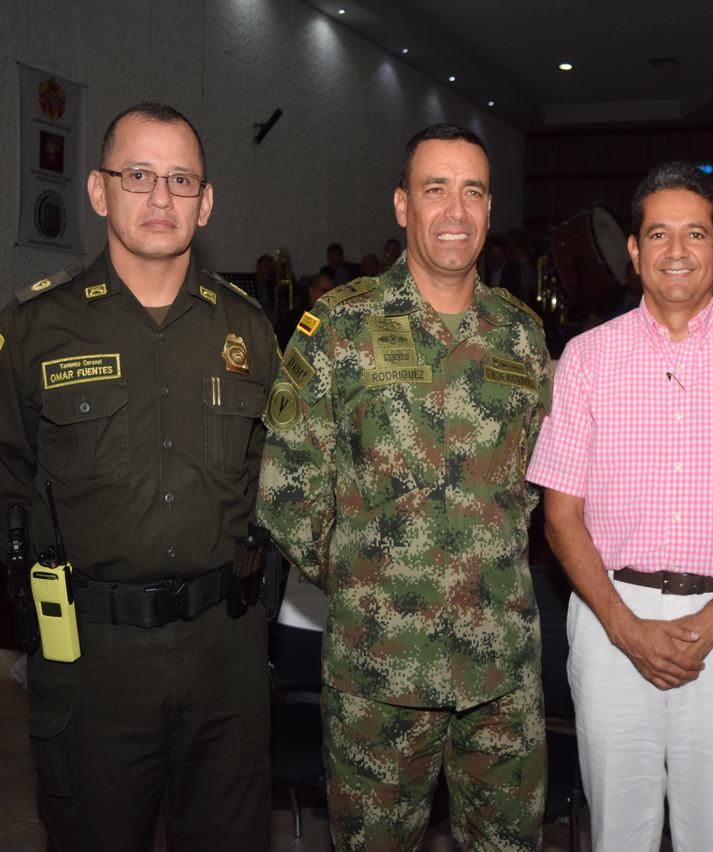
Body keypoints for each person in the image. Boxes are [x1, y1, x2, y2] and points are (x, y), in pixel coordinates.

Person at [257, 122, 552, 851]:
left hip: (500, 673)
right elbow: (286, 487)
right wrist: (373, 582)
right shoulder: (338, 326)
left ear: (489, 208)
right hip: (377, 672)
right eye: (435, 189)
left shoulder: (521, 336)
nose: (455, 210)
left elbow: (537, 482)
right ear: (401, 205)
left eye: (473, 191)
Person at [0, 102, 277, 851]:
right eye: (139, 176)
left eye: (181, 180)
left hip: (226, 654)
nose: (160, 199)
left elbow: (277, 483)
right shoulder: (35, 329)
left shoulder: (247, 330)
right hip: (93, 662)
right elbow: (8, 481)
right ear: (98, 190)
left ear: (206, 201)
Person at [528, 162, 713, 852]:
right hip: (609, 626)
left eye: (695, 233)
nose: (676, 251)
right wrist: (627, 628)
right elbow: (559, 514)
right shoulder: (585, 358)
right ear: (631, 250)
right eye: (657, 234)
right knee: (617, 834)